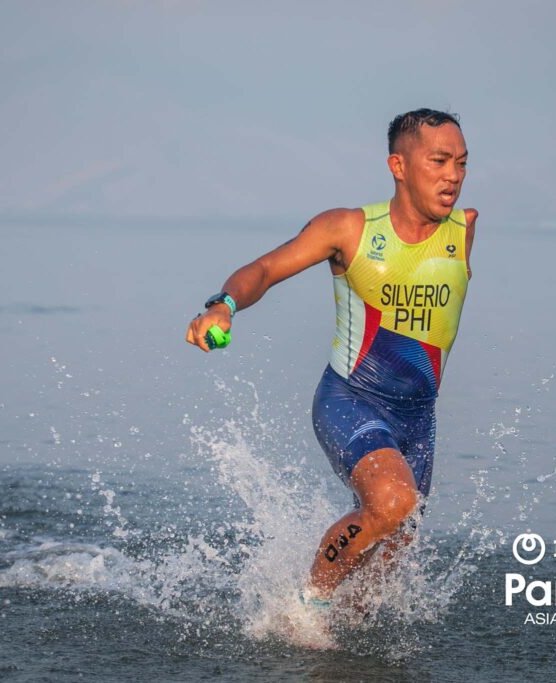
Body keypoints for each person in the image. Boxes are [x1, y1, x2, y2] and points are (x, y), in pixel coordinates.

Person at [186, 108, 476, 615]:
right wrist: (223, 306)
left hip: (418, 419)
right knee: (392, 504)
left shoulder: (464, 229)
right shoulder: (348, 230)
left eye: (461, 163)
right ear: (399, 166)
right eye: (438, 160)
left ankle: (343, 627)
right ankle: (307, 606)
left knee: (391, 553)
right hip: (351, 400)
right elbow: (265, 268)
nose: (453, 175)